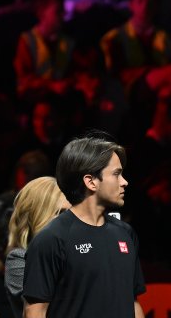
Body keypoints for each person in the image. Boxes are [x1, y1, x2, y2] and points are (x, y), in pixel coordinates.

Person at [22, 134, 145, 317]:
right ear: (91, 181)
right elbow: (35, 311)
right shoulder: (52, 239)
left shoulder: (125, 233)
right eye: (116, 174)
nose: (124, 182)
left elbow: (133, 303)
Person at [5, 176, 69, 318]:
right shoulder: (18, 259)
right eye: (59, 213)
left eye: (70, 213)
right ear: (37, 215)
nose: (68, 220)